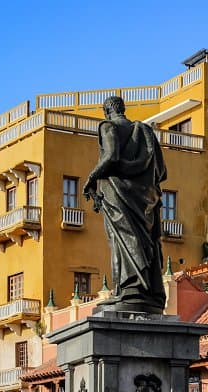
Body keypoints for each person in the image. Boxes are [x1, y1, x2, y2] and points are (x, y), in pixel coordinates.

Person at [83, 95, 168, 314]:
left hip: (117, 194)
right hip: (144, 197)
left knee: (121, 241)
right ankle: (141, 290)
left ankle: (127, 290)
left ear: (106, 111)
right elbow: (161, 171)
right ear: (123, 109)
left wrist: (91, 177)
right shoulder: (145, 131)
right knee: (141, 240)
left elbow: (111, 156)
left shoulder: (107, 126)